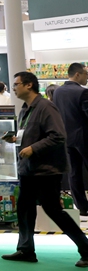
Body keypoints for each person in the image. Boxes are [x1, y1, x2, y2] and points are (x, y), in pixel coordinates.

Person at [2, 71, 88, 267]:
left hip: (46, 170)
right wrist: (16, 139)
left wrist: (33, 148)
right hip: (29, 170)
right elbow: (32, 134)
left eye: (16, 84)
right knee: (24, 208)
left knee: (54, 211)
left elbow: (58, 136)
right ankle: (25, 249)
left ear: (28, 85)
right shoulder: (25, 109)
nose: (13, 88)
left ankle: (86, 249)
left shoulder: (46, 107)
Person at [52, 63, 88, 219]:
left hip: (66, 138)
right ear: (78, 75)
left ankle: (82, 207)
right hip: (84, 138)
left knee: (74, 173)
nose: (87, 77)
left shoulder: (57, 92)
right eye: (86, 74)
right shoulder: (83, 92)